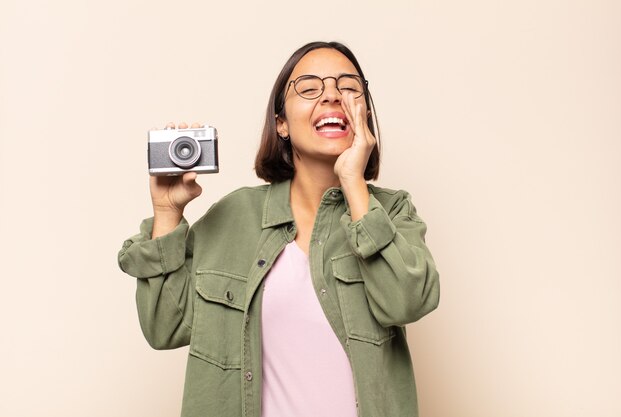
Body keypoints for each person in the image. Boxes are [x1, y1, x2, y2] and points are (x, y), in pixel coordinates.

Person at [118, 41, 440, 417]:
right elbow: (164, 327)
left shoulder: (392, 210)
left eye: (348, 86)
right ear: (281, 123)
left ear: (364, 113)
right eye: (309, 87)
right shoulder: (234, 216)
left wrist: (353, 184)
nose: (331, 96)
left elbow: (409, 301)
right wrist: (166, 211)